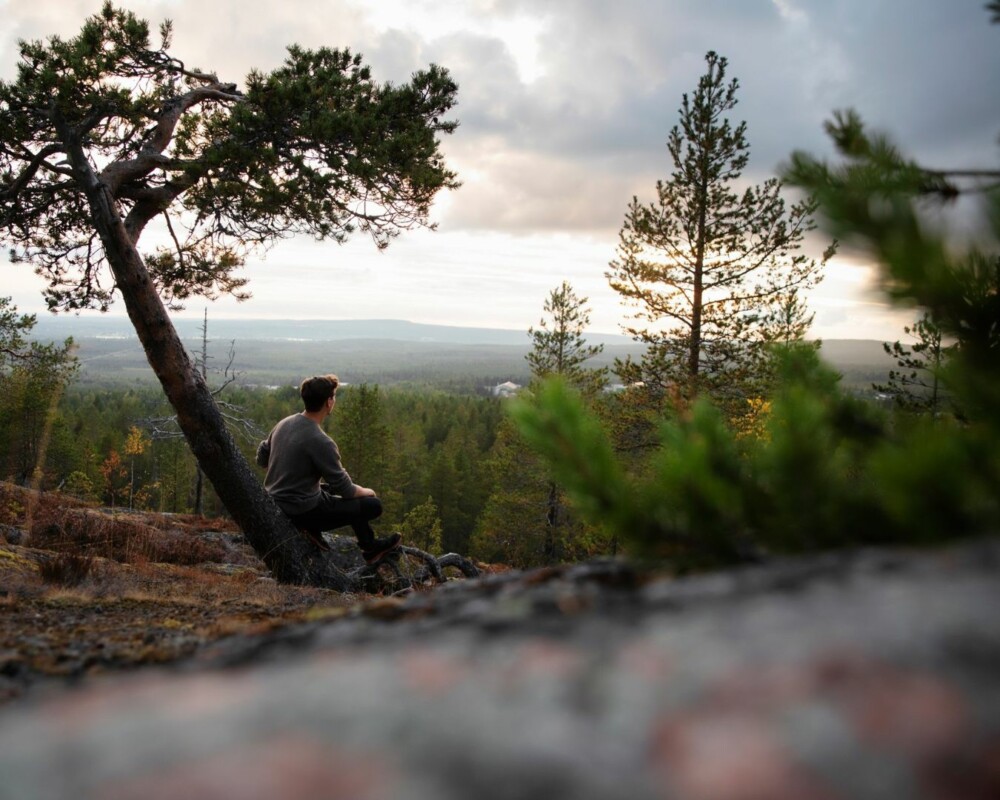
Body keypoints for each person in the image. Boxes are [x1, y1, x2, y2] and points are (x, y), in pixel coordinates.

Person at [256, 374, 402, 564]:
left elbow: (261, 456)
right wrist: (369, 492)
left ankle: (368, 545)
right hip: (301, 511)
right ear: (328, 402)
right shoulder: (320, 440)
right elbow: (347, 490)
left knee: (331, 491)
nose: (334, 400)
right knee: (372, 505)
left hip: (276, 501)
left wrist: (283, 472)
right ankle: (369, 548)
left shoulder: (285, 423)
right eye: (333, 396)